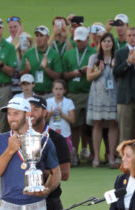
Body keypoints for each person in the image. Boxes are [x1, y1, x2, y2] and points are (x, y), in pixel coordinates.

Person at [0, 97, 60, 210]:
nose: (11, 118)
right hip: (8, 209)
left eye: (16, 113)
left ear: (27, 115)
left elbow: (56, 173)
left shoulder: (43, 140)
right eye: (9, 114)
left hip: (36, 208)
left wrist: (47, 189)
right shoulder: (0, 140)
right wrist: (10, 150)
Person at [29, 95, 71, 210]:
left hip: (50, 202)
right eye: (28, 110)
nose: (31, 113)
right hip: (22, 203)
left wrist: (33, 171)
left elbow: (65, 174)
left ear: (45, 112)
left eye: (36, 109)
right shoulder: (16, 138)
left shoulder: (57, 139)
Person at [62, 26, 96, 165]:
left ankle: (92, 154)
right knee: (75, 125)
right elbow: (64, 74)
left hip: (90, 93)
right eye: (77, 40)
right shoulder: (68, 54)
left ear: (88, 39)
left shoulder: (94, 53)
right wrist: (75, 73)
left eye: (82, 40)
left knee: (91, 126)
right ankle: (73, 154)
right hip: (74, 94)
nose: (79, 43)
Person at [86, 32, 119, 168]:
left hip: (113, 95)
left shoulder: (117, 57)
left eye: (109, 41)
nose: (106, 44)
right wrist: (99, 71)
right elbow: (88, 77)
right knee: (97, 124)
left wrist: (114, 67)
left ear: (112, 44)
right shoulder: (94, 58)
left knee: (113, 124)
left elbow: (119, 77)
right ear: (100, 44)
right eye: (104, 41)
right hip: (98, 95)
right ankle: (97, 157)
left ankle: (111, 155)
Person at [20, 25, 62, 98]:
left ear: (47, 37)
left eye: (41, 36)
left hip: (49, 95)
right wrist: (26, 69)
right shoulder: (28, 53)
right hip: (32, 95)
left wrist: (46, 68)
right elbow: (21, 74)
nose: (39, 38)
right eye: (37, 35)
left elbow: (58, 76)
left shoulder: (54, 54)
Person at [46, 79, 75, 154]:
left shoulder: (69, 102)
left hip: (65, 132)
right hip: (52, 132)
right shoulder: (48, 102)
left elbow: (73, 120)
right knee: (52, 153)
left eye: (60, 89)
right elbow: (44, 120)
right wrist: (50, 114)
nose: (58, 91)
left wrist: (62, 114)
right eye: (56, 89)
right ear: (52, 90)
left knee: (68, 154)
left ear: (65, 90)